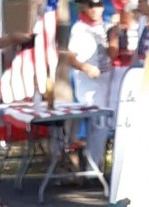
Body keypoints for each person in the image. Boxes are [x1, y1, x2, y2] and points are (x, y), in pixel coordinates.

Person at [67, 0, 110, 169]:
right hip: (88, 87)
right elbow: (70, 57)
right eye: (91, 5)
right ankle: (91, 169)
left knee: (102, 128)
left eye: (98, 5)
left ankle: (93, 165)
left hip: (107, 83)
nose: (95, 9)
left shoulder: (107, 27)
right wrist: (85, 67)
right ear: (84, 6)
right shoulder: (79, 28)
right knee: (98, 125)